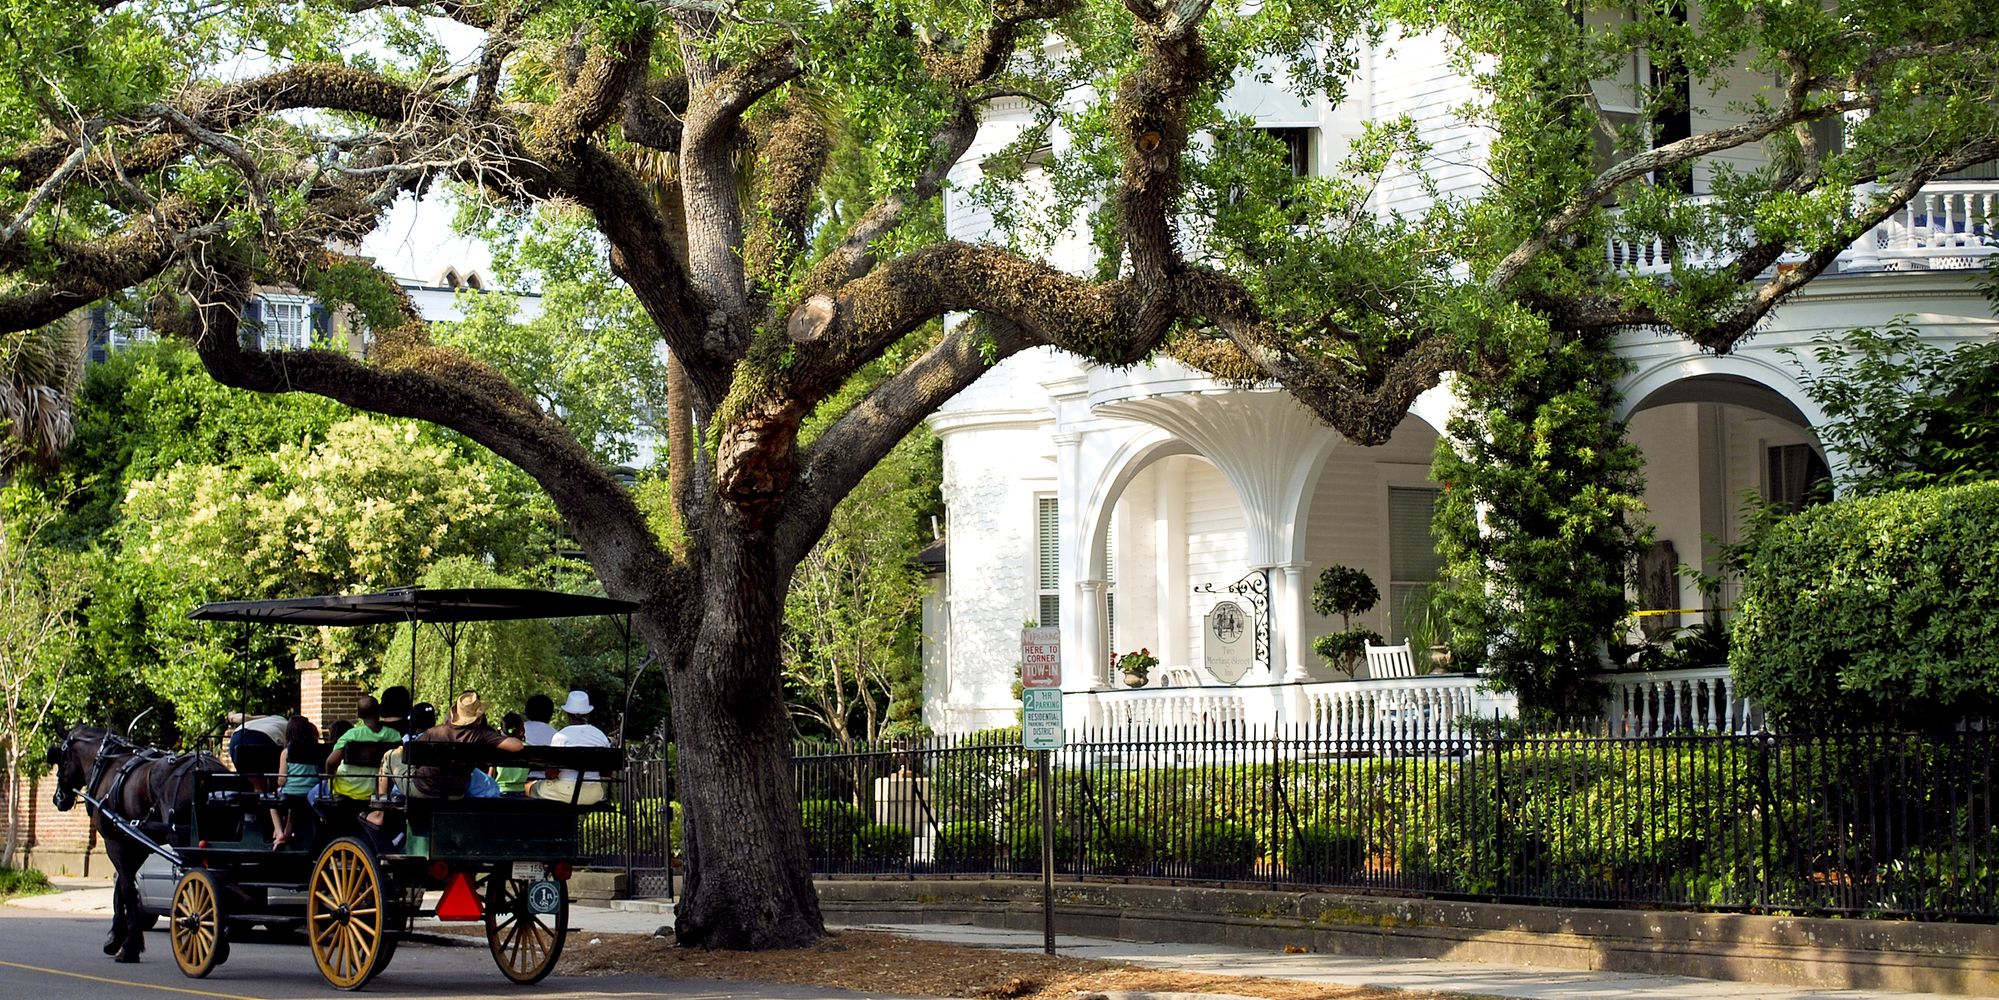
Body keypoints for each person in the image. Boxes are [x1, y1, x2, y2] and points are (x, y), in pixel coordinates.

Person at [528, 690, 609, 806]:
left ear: (567, 714)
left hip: (566, 792)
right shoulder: (601, 736)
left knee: (529, 787)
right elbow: (606, 772)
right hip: (594, 793)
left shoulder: (561, 736)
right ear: (588, 714)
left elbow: (551, 775)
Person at [323, 696, 400, 801]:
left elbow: (330, 762)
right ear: (379, 711)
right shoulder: (395, 736)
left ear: (359, 715)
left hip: (346, 789)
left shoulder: (352, 735)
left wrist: (329, 779)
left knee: (314, 793)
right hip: (379, 791)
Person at [273, 716, 321, 849]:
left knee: (272, 804)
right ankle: (288, 833)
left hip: (291, 794)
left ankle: (279, 832)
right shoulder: (316, 750)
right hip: (311, 793)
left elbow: (282, 780)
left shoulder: (286, 752)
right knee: (292, 810)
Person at [225, 711, 288, 793]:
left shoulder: (269, 719)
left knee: (252, 778)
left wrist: (232, 716)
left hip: (237, 738)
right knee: (273, 776)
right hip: (265, 738)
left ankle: (256, 793)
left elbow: (245, 718)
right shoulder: (286, 723)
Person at [491, 713, 531, 799]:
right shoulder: (528, 747)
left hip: (501, 791)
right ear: (521, 729)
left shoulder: (498, 747)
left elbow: (491, 774)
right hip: (520, 792)